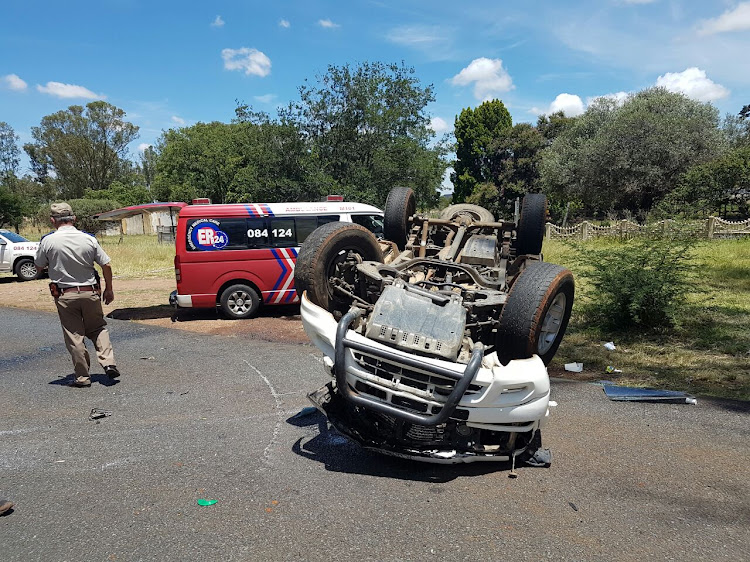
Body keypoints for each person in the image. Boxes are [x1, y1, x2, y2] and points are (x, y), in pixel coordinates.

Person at [35, 202, 121, 387]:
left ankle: (83, 377)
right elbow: (106, 264)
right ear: (74, 218)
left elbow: (38, 266)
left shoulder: (48, 241)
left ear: (52, 220)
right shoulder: (88, 239)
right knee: (98, 328)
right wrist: (109, 288)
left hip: (65, 295)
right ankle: (108, 363)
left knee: (74, 335)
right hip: (90, 292)